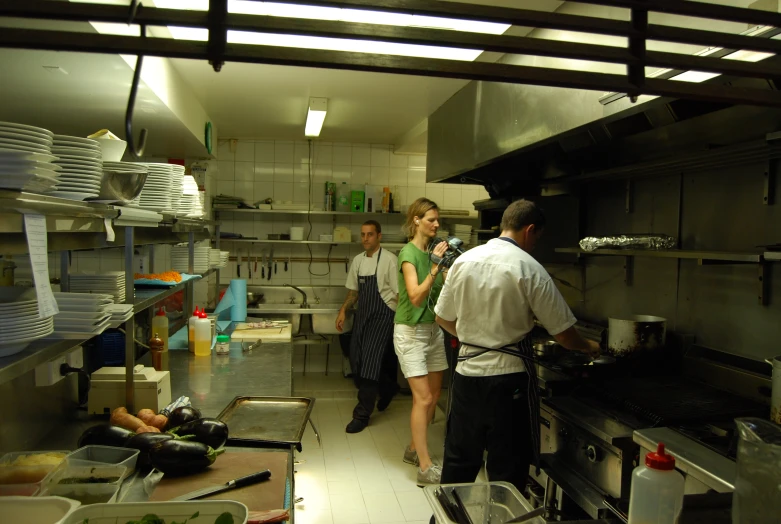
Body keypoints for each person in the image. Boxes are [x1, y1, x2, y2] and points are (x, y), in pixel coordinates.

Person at [434, 199, 601, 492]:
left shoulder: (464, 261)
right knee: (505, 469)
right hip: (508, 381)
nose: (535, 244)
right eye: (537, 237)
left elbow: (442, 317)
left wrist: (475, 339)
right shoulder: (529, 267)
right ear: (531, 229)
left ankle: (447, 517)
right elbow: (563, 334)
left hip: (466, 378)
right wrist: (587, 345)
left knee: (459, 462)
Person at [394, 197, 450, 485]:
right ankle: (425, 467)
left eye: (437, 219)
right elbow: (415, 296)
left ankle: (414, 448)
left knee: (435, 395)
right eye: (431, 219)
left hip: (433, 331)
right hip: (410, 334)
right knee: (423, 397)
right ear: (416, 220)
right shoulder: (407, 253)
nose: (436, 224)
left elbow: (440, 292)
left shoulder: (432, 253)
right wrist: (436, 267)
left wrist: (449, 267)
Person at [337, 220, 400, 434]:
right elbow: (354, 292)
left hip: (383, 316)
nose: (365, 238)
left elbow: (399, 295)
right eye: (363, 234)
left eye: (370, 234)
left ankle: (362, 415)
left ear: (379, 236)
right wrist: (343, 310)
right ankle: (388, 387)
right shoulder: (358, 261)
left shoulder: (390, 260)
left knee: (370, 362)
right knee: (357, 358)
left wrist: (401, 320)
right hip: (363, 315)